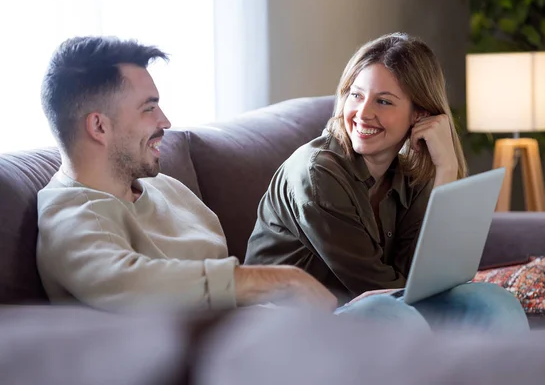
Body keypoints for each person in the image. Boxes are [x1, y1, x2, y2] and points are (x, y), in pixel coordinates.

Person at [244, 32, 529, 332]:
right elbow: (378, 287)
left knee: (495, 302)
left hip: (374, 306)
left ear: (419, 115)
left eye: (383, 101)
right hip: (289, 323)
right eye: (356, 95)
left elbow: (426, 277)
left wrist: (446, 168)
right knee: (393, 316)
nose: (363, 113)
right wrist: (426, 292)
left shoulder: (411, 173)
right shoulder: (317, 173)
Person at [36, 36, 338, 313]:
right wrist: (281, 280)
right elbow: (131, 282)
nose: (165, 121)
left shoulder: (166, 187)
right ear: (99, 126)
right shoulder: (70, 216)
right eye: (148, 109)